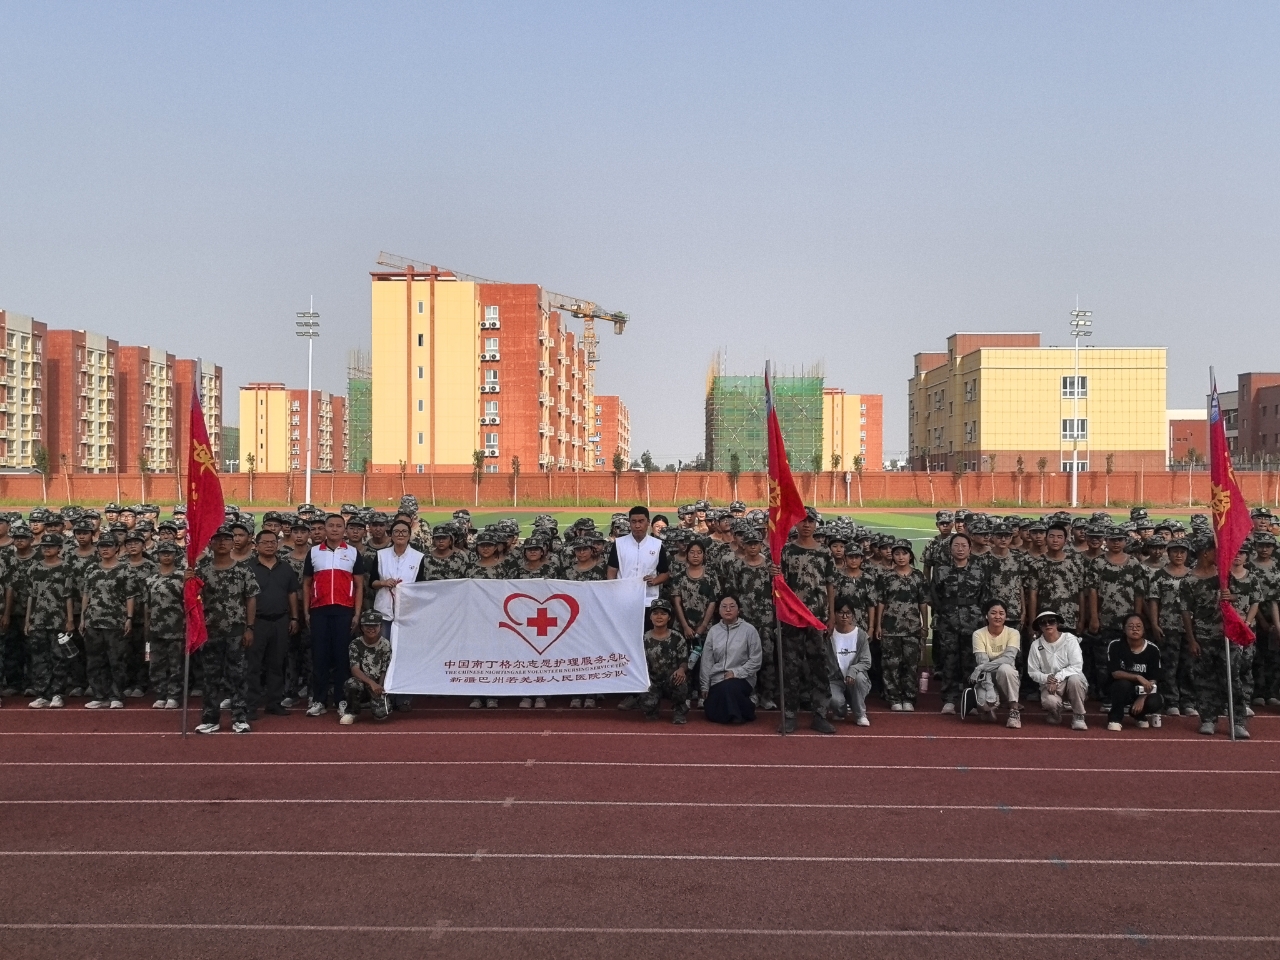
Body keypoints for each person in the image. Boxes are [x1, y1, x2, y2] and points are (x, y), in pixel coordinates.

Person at [773, 506, 837, 735]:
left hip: (816, 619)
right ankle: (790, 716)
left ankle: (820, 715)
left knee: (819, 667)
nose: (807, 525)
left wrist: (831, 615)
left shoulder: (824, 552)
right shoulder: (787, 551)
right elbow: (779, 584)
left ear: (816, 524)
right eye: (803, 521)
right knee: (791, 667)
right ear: (796, 524)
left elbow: (830, 584)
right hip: (792, 618)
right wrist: (773, 573)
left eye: (811, 521)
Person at [193, 527, 260, 735]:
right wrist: (188, 581)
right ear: (210, 543)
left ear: (232, 543)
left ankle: (239, 718)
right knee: (210, 677)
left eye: (227, 539)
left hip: (236, 631)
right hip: (210, 631)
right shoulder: (201, 571)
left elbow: (251, 598)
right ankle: (210, 718)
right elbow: (192, 599)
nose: (222, 543)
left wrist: (249, 627)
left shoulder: (243, 570)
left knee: (237, 676)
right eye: (218, 539)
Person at [1183, 538, 1250, 738]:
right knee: (1205, 680)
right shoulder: (1189, 581)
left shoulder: (1225, 575)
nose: (1220, 555)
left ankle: (1237, 721)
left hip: (1227, 636)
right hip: (1203, 637)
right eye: (1215, 551)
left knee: (1232, 679)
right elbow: (1186, 612)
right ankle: (1208, 719)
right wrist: (1192, 640)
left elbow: (1241, 596)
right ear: (1205, 552)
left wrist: (1231, 596)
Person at [302, 514, 366, 718]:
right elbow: (306, 584)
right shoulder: (314, 552)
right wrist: (306, 611)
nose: (335, 529)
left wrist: (357, 613)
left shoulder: (353, 553)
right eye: (331, 526)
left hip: (344, 610)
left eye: (339, 526)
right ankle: (319, 700)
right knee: (319, 657)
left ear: (344, 530)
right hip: (319, 611)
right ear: (325, 528)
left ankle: (341, 700)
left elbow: (359, 585)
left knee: (341, 657)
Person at [931, 532, 989, 714]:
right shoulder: (941, 570)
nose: (960, 549)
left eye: (964, 545)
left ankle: (969, 699)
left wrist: (978, 614)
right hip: (948, 621)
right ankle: (949, 699)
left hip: (973, 621)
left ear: (970, 549)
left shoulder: (979, 570)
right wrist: (943, 612)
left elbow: (984, 596)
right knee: (949, 660)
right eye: (956, 545)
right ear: (950, 549)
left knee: (971, 661)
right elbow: (934, 594)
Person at [246, 529, 301, 718]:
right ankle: (251, 705)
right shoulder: (248, 568)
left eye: (273, 542)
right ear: (256, 545)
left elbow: (292, 593)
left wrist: (294, 618)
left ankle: (274, 703)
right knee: (253, 665)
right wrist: (248, 625)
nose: (270, 545)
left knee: (277, 664)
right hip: (257, 622)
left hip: (280, 621)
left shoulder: (285, 568)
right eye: (265, 542)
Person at [875, 540, 929, 712]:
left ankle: (909, 698)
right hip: (890, 628)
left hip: (912, 628)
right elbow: (881, 602)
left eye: (904, 553)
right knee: (891, 665)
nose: (900, 557)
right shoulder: (886, 577)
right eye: (897, 553)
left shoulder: (918, 576)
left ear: (910, 556)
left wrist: (925, 625)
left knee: (911, 665)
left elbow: (922, 602)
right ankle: (894, 698)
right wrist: (878, 625)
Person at [23, 533, 75, 709]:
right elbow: (31, 596)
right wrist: (28, 620)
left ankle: (57, 693)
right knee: (39, 658)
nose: (47, 549)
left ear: (59, 548)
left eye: (51, 546)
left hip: (58, 621)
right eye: (44, 546)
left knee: (59, 658)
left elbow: (68, 596)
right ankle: (42, 694)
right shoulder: (34, 568)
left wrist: (70, 620)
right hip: (38, 620)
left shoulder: (66, 568)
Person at [700, 594, 762, 724]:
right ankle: (742, 709)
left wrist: (736, 673)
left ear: (739, 610)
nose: (728, 609)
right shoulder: (713, 631)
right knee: (710, 709)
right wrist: (705, 685)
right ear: (719, 610)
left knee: (729, 687)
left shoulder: (749, 630)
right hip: (717, 679)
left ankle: (738, 714)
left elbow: (756, 660)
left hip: (742, 678)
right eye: (724, 606)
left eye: (732, 606)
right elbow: (707, 660)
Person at [1026, 611, 1088, 729]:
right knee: (1049, 701)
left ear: (1058, 623)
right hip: (1049, 684)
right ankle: (1055, 711)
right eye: (1043, 623)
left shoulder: (1070, 639)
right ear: (1040, 627)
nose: (1047, 624)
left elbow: (1076, 666)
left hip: (1070, 680)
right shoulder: (1035, 645)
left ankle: (1079, 715)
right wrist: (1047, 678)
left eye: (1051, 621)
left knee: (1075, 680)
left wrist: (1056, 678)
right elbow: (1032, 671)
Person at [144, 542, 186, 709]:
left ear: (176, 555)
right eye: (163, 553)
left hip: (177, 627)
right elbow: (147, 605)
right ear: (158, 555)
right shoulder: (151, 579)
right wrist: (147, 625)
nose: (166, 556)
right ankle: (160, 694)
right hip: (156, 627)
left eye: (170, 553)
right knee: (156, 664)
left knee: (176, 664)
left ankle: (174, 695)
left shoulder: (182, 577)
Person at [968, 599, 1022, 728]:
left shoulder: (1013, 633)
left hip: (1007, 679)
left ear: (1006, 616)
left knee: (1005, 668)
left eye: (1001, 613)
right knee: (984, 704)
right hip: (987, 679)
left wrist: (981, 668)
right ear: (986, 615)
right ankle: (990, 707)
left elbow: (1009, 658)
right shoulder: (978, 634)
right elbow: (982, 660)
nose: (997, 616)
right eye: (993, 613)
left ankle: (1014, 710)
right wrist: (990, 689)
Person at [1106, 613, 1163, 731]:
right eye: (1131, 626)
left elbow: (1153, 679)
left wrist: (1142, 698)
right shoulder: (1115, 645)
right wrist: (1138, 677)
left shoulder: (1153, 649)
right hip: (1120, 687)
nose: (1135, 629)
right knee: (1122, 685)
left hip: (1143, 690)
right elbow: (1115, 673)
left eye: (1138, 626)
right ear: (1124, 629)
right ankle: (1115, 718)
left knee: (1156, 701)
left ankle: (1138, 715)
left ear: (1144, 629)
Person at [639, 599, 688, 723]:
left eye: (663, 613)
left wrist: (681, 670)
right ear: (650, 617)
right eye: (655, 613)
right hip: (652, 681)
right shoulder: (643, 639)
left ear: (669, 617)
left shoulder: (677, 637)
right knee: (648, 707)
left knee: (680, 681)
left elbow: (684, 660)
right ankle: (652, 709)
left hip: (671, 680)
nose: (659, 617)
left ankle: (679, 712)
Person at [340, 611, 392, 725]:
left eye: (375, 625)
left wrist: (379, 687)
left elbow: (385, 669)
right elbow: (355, 669)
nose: (371, 629)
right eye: (367, 625)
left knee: (381, 715)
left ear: (380, 627)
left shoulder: (385, 644)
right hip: (363, 683)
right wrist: (371, 683)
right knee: (351, 684)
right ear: (362, 627)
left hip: (378, 685)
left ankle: (373, 702)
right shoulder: (355, 644)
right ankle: (351, 712)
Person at [833, 601, 871, 726]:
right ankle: (841, 710)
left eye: (848, 613)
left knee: (859, 678)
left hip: (854, 678)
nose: (844, 616)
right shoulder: (829, 635)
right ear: (834, 614)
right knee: (834, 701)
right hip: (835, 679)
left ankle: (860, 714)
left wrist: (853, 670)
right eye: (840, 613)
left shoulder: (861, 635)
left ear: (853, 616)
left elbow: (866, 661)